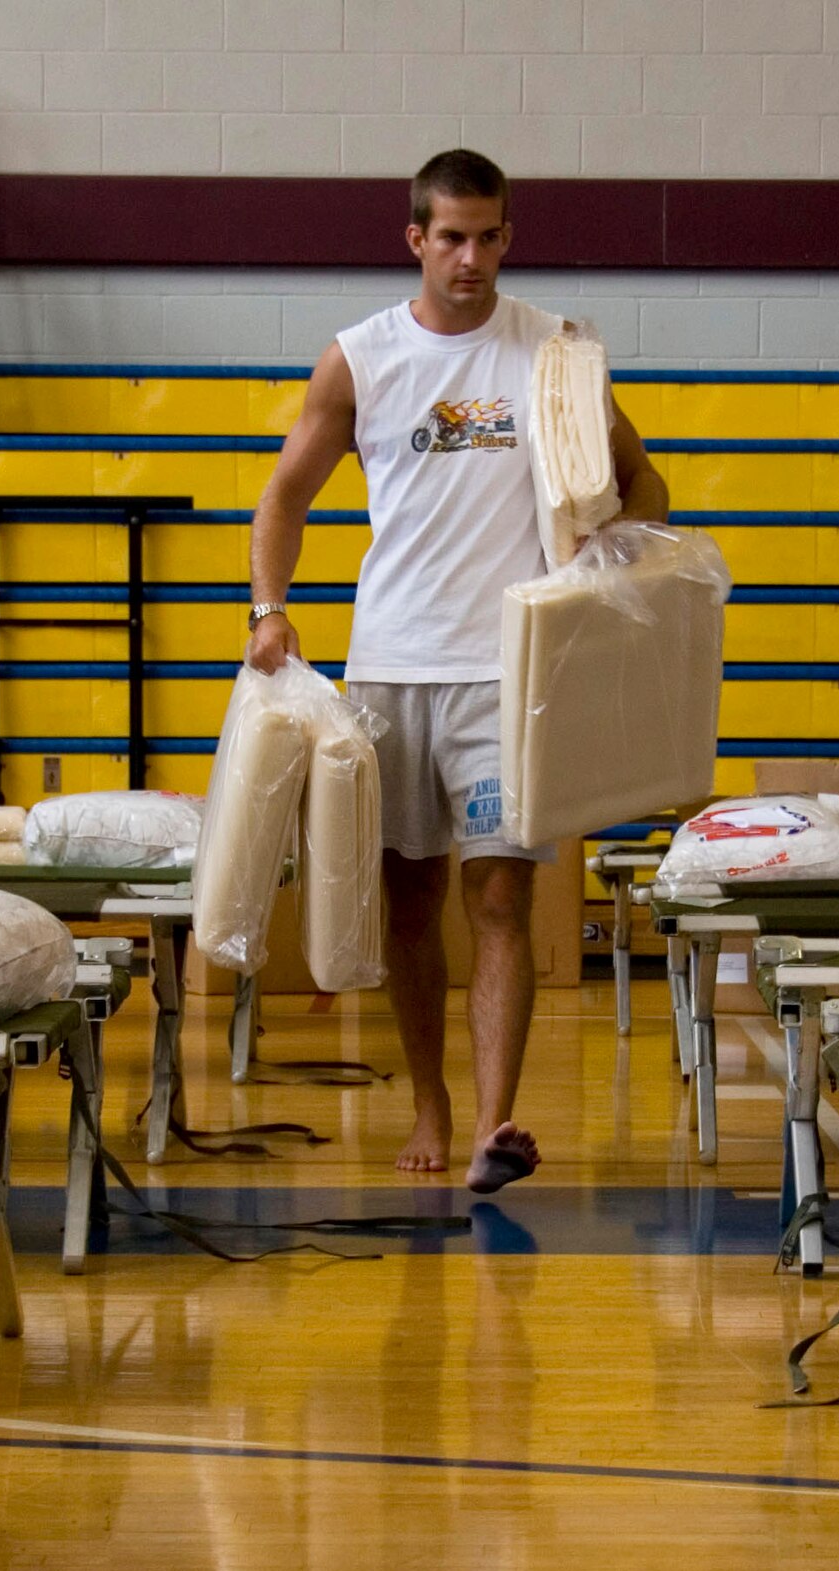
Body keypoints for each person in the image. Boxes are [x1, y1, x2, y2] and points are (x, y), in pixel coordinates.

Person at [246, 149, 669, 1193]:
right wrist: (269, 610)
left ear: (507, 236)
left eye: (488, 236)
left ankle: (493, 1122)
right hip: (390, 668)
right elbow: (284, 499)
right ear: (416, 241)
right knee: (407, 903)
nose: (470, 257)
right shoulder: (361, 359)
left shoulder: (554, 355)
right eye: (451, 238)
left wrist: (611, 563)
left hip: (508, 675)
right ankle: (430, 1102)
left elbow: (642, 480)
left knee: (498, 902)